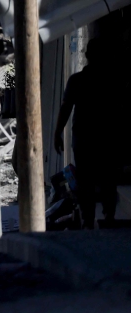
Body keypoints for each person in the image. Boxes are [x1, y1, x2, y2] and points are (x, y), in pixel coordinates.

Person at [54, 38, 124, 228]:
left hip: (84, 140)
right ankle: (108, 217)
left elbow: (66, 108)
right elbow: (120, 110)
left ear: (86, 56)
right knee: (107, 179)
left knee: (86, 180)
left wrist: (57, 133)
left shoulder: (77, 80)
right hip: (107, 139)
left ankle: (88, 220)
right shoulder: (113, 80)